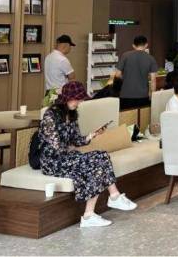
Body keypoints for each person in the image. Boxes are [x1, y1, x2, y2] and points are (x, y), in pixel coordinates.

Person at [39, 81, 137, 228]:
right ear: (68, 97)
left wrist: (92, 135)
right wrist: (71, 148)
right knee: (95, 162)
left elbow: (76, 141)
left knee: (101, 155)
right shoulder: (50, 116)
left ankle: (109, 199)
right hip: (52, 162)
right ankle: (96, 210)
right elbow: (56, 146)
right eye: (77, 99)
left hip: (67, 157)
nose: (79, 103)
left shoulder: (72, 114)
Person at [113, 35, 158, 109]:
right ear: (146, 45)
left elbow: (117, 74)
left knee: (126, 116)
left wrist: (126, 77)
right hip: (143, 96)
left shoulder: (125, 55)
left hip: (126, 95)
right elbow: (153, 80)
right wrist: (152, 95)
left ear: (133, 45)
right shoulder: (151, 58)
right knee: (141, 116)